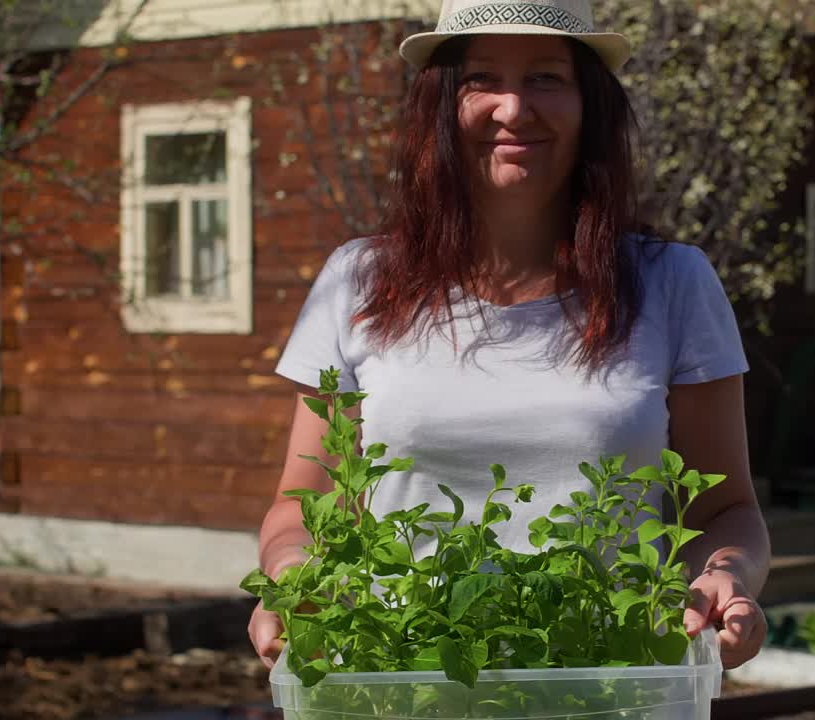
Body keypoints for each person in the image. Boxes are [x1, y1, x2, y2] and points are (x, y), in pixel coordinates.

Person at [248, 0, 772, 671]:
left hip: (610, 686)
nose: (513, 108)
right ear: (440, 105)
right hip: (399, 684)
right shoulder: (359, 281)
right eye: (482, 79)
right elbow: (304, 508)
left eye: (547, 78)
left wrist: (726, 579)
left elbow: (727, 510)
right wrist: (292, 577)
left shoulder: (671, 283)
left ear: (591, 105)